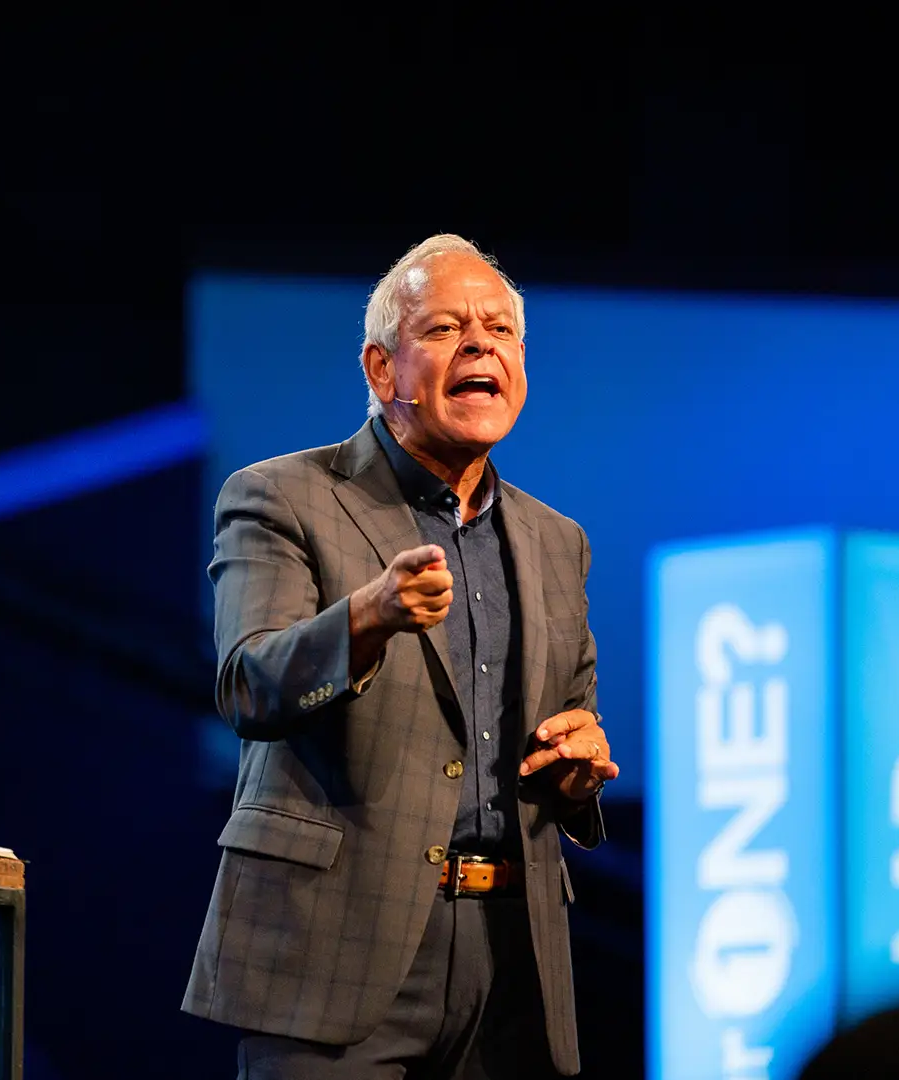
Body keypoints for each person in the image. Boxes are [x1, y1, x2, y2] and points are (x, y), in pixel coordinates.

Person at [184, 235, 618, 1078]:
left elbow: (574, 721)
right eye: (448, 328)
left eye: (500, 330)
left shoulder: (557, 542)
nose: (481, 345)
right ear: (382, 371)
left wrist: (580, 765)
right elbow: (248, 686)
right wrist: (369, 617)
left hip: (511, 961)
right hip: (336, 952)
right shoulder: (280, 497)